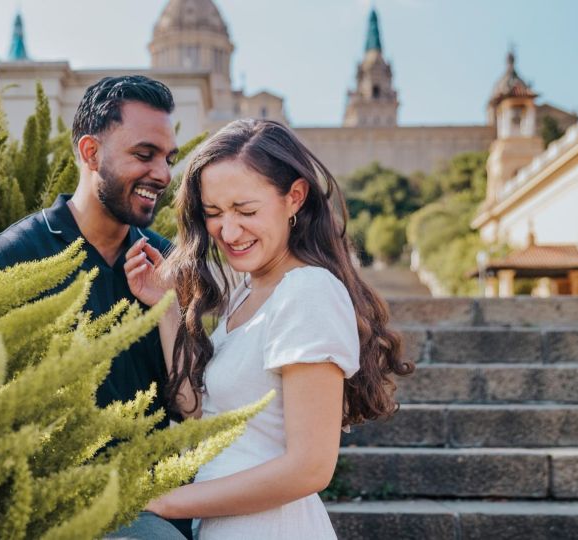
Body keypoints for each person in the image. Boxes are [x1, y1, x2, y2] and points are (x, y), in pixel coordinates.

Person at [123, 119, 413, 539]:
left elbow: (309, 468)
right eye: (213, 214)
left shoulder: (307, 290)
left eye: (246, 211)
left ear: (294, 198)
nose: (229, 230)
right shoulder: (249, 290)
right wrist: (166, 309)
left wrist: (165, 501)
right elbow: (200, 418)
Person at [0, 75, 190, 539]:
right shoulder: (3, 263)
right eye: (144, 155)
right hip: (52, 511)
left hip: (167, 502)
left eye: (168, 159)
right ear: (90, 152)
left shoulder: (171, 262)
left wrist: (170, 307)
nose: (162, 174)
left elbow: (196, 401)